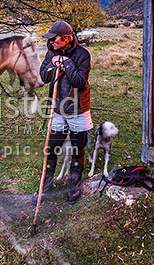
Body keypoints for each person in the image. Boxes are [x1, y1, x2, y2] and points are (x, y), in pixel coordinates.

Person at [32, 20, 92, 205]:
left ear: (66, 38)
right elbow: (44, 76)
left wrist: (66, 63)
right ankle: (46, 187)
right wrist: (53, 63)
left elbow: (80, 82)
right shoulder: (52, 51)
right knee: (51, 149)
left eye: (54, 39)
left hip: (78, 109)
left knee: (77, 150)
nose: (51, 42)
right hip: (57, 109)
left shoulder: (83, 55)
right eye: (50, 40)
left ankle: (74, 186)